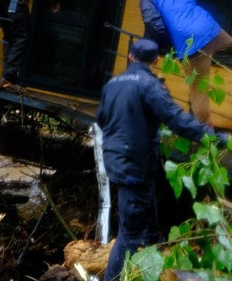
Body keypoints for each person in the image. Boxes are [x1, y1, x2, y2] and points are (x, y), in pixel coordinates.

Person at [96, 38, 224, 281]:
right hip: (135, 166)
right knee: (127, 236)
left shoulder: (113, 83)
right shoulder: (150, 86)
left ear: (131, 57)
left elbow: (103, 118)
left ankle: (152, 238)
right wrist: (212, 136)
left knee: (146, 196)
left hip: (116, 161)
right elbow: (177, 120)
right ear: (156, 61)